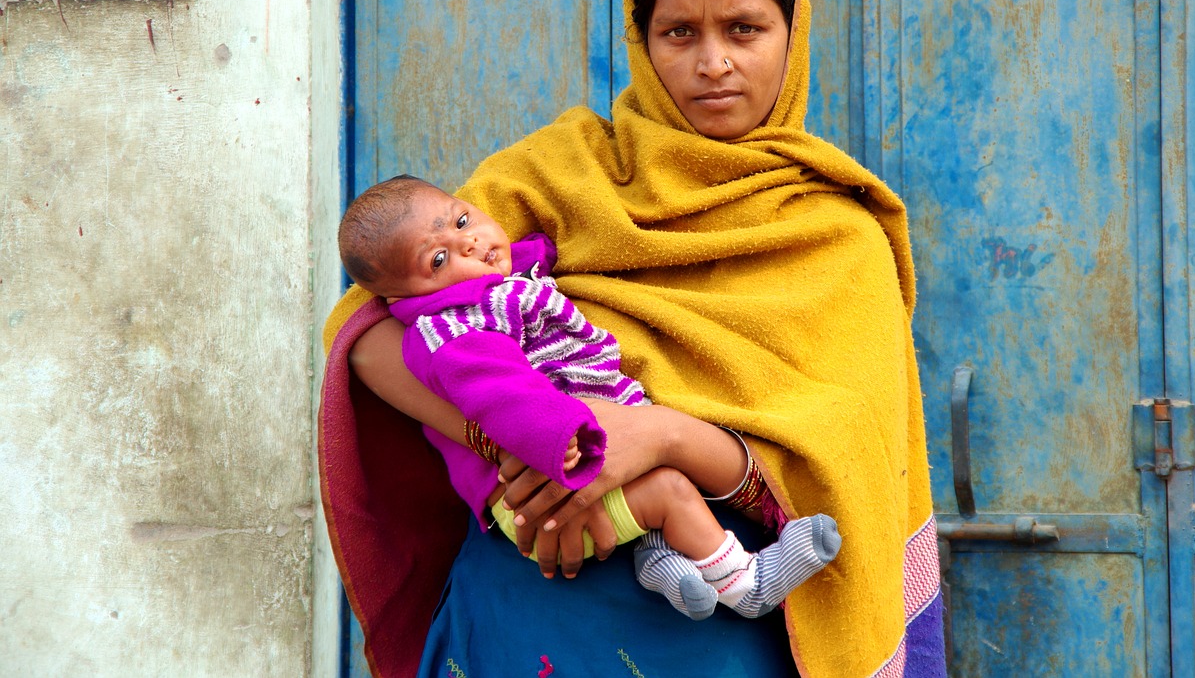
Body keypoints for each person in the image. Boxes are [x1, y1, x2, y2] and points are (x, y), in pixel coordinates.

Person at [320, 0, 946, 677]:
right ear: (643, 42)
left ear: (793, 32)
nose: (712, 62)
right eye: (679, 32)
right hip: (525, 618)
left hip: (719, 638)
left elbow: (842, 462)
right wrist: (525, 441)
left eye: (745, 30)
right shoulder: (556, 176)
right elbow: (368, 330)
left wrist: (658, 436)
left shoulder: (840, 241)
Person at [336, 175, 842, 621]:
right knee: (669, 490)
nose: (468, 243)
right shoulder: (457, 327)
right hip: (540, 492)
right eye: (439, 258)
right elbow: (502, 394)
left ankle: (662, 559)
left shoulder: (517, 268)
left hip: (593, 456)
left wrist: (663, 435)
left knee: (660, 485)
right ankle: (747, 584)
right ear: (406, 298)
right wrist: (562, 446)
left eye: (463, 219)